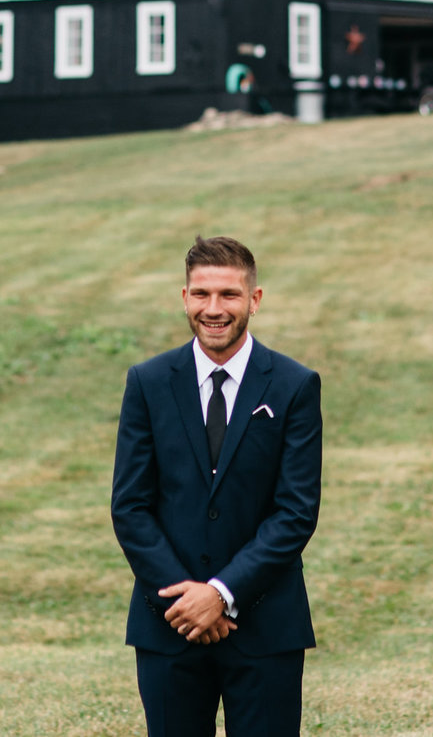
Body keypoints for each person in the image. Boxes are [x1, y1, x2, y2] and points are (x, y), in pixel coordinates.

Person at [110, 236, 323, 737]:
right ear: (184, 297)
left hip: (266, 624)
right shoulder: (148, 382)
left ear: (255, 299)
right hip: (170, 623)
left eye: (228, 294)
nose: (214, 309)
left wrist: (222, 594)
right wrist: (186, 601)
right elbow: (131, 507)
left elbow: (295, 511)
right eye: (201, 294)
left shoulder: (294, 385)